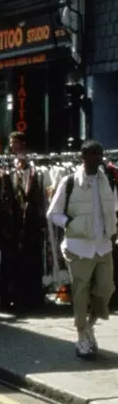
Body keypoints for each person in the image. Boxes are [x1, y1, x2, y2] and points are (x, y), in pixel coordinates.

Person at [46, 140, 117, 358]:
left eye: (100, 154)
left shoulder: (108, 181)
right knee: (80, 295)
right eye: (94, 154)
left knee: (106, 288)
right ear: (83, 157)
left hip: (103, 245)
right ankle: (81, 337)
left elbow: (114, 207)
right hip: (79, 248)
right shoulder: (69, 182)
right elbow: (52, 214)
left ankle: (89, 325)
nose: (99, 159)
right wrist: (70, 223)